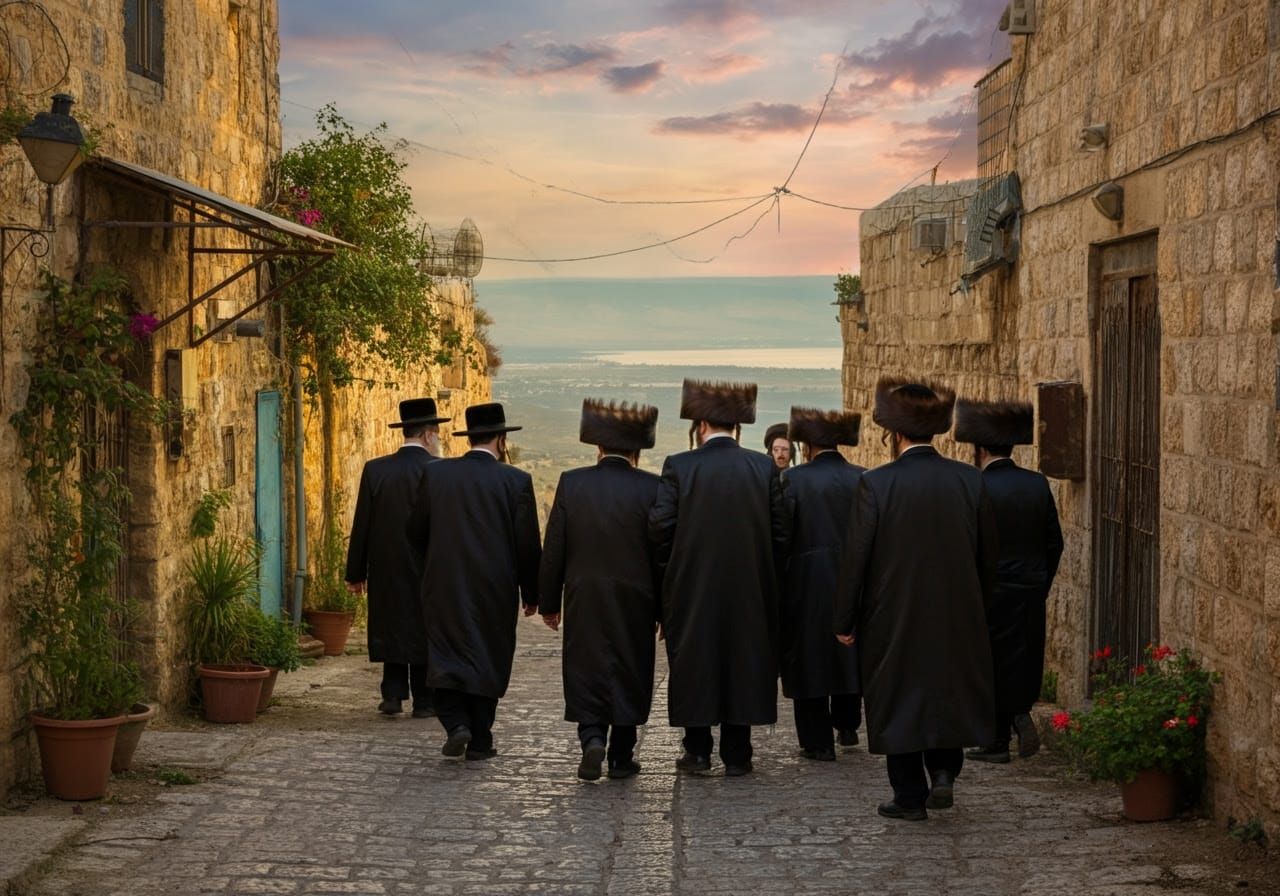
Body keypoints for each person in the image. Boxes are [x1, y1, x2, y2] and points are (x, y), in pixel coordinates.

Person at [835, 376, 997, 821]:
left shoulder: (876, 484)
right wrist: (979, 608)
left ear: (896, 432)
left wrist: (844, 620)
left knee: (899, 696)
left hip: (893, 613)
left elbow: (857, 559)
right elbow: (989, 557)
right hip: (957, 611)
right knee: (948, 688)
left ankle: (908, 796)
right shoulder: (971, 481)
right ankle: (944, 771)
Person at [648, 378, 787, 777]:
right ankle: (738, 751)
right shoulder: (762, 467)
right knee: (743, 657)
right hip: (750, 585)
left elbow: (660, 528)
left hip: (692, 584)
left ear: (701, 426)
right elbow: (781, 532)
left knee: (696, 659)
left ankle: (697, 750)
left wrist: (669, 574)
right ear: (738, 428)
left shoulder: (680, 465)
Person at [407, 402, 541, 761]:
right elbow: (527, 544)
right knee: (488, 653)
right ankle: (481, 738)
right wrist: (532, 593)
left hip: (444, 581)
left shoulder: (437, 475)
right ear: (500, 439)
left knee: (446, 649)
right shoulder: (515, 481)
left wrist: (434, 564)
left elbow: (415, 531)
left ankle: (455, 724)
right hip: (495, 586)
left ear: (471, 437)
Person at [540, 399, 662, 782]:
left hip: (584, 594)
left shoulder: (572, 482)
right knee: (629, 667)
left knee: (586, 665)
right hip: (635, 598)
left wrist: (548, 602)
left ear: (598, 449)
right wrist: (664, 606)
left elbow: (554, 546)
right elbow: (662, 553)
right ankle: (622, 756)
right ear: (636, 453)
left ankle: (592, 737)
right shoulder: (652, 488)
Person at [953, 399, 1064, 764]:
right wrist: (1041, 581)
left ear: (980, 448)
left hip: (990, 588)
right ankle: (1018, 711)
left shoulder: (976, 486)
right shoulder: (1036, 483)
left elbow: (968, 543)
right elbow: (1054, 541)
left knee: (989, 662)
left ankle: (998, 738)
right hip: (1030, 587)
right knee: (1024, 655)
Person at [345, 397, 449, 718]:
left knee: (391, 623)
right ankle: (424, 699)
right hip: (428, 565)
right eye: (437, 434)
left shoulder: (376, 470)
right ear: (430, 434)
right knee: (423, 626)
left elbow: (362, 522)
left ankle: (392, 695)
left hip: (386, 564)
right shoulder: (441, 471)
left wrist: (356, 572)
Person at [780, 406, 865, 760]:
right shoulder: (863, 477)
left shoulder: (794, 480)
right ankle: (847, 724)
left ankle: (817, 742)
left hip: (806, 580)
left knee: (809, 656)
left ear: (807, 444)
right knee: (848, 650)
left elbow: (782, 533)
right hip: (852, 575)